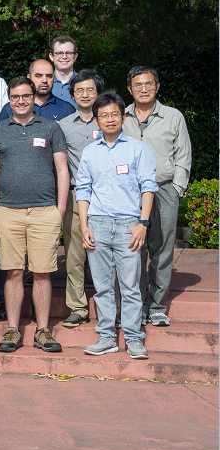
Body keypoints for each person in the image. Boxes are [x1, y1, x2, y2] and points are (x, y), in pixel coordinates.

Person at [0, 77, 69, 355]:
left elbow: (62, 170)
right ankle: (12, 328)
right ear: (8, 99)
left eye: (26, 96)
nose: (21, 101)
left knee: (43, 273)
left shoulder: (50, 127)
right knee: (13, 272)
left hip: (45, 211)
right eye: (15, 96)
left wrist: (60, 210)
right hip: (8, 210)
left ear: (34, 97)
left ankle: (43, 331)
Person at [78, 91, 157, 360]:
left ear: (123, 117)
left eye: (114, 114)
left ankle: (134, 338)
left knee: (131, 287)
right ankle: (107, 337)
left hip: (128, 226)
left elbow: (148, 187)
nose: (109, 119)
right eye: (103, 116)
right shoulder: (89, 152)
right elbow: (83, 191)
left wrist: (142, 223)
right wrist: (83, 225)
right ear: (96, 121)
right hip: (97, 225)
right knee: (101, 286)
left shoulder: (137, 149)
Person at [121, 66, 192, 326]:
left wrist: (177, 188)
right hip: (129, 192)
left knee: (161, 249)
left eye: (148, 84)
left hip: (164, 189)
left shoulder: (173, 117)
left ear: (157, 86)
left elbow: (183, 154)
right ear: (129, 89)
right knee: (134, 248)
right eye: (137, 85)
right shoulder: (121, 116)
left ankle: (157, 306)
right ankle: (138, 304)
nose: (143, 89)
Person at [56, 69, 104, 328]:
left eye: (90, 90)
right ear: (72, 95)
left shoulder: (109, 120)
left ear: (98, 93)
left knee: (107, 253)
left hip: (107, 196)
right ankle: (77, 306)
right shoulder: (63, 126)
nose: (85, 95)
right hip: (75, 195)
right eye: (79, 90)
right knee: (75, 255)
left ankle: (112, 307)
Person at [0, 59, 76, 122]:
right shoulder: (11, 108)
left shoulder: (67, 110)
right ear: (29, 78)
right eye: (38, 76)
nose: (44, 80)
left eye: (49, 76)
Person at [49, 35, 79, 105]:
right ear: (51, 57)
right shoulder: (44, 83)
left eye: (69, 53)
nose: (64, 57)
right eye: (59, 53)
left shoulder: (84, 83)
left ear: (75, 56)